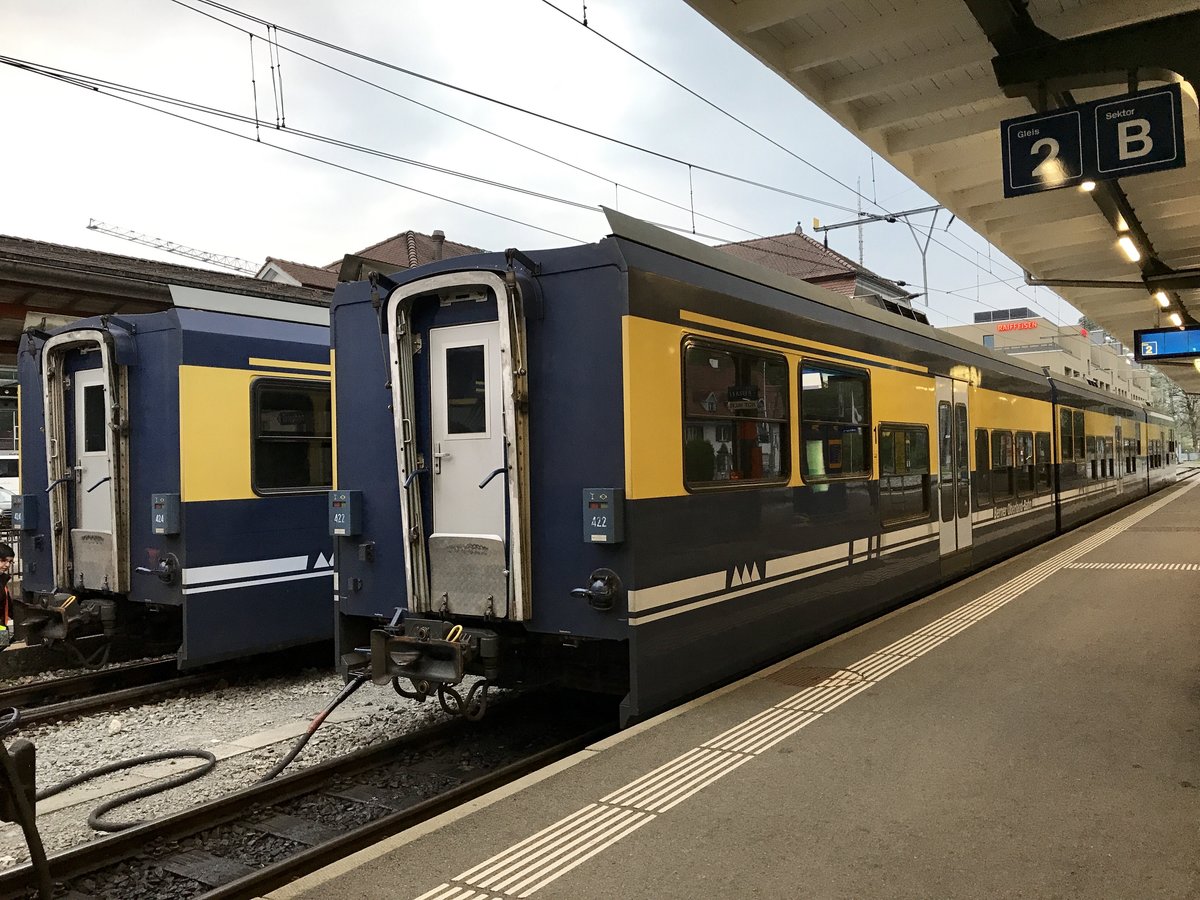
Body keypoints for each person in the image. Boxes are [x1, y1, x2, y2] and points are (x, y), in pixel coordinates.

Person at [0, 543, 12, 648]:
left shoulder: (3, 580)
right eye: (3, 561)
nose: (7, 565)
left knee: (2, 647)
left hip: (1, 626)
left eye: (10, 562)